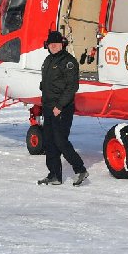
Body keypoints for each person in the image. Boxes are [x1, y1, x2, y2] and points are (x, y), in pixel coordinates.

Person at [38, 30, 89, 187]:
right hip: (48, 107)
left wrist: (59, 106)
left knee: (60, 141)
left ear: (62, 45)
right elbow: (47, 82)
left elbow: (72, 86)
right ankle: (54, 175)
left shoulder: (69, 61)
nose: (53, 46)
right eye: (51, 44)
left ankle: (80, 170)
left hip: (62, 108)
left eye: (56, 44)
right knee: (48, 142)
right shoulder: (48, 60)